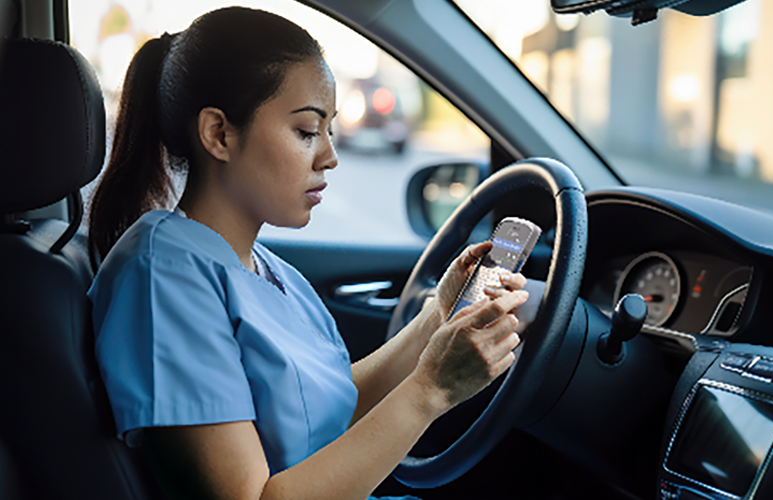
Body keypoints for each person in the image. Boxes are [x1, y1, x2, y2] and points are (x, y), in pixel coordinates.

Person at [86, 7, 529, 500]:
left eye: (329, 130)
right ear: (218, 133)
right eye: (306, 131)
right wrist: (431, 390)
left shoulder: (262, 267)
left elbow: (328, 410)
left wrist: (436, 317)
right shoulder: (160, 277)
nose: (330, 156)